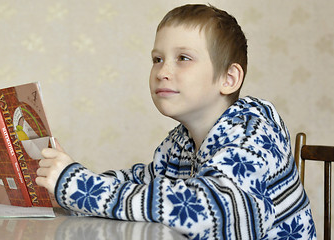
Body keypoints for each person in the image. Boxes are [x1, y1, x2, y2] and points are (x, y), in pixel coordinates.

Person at [36, 4, 317, 239]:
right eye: (157, 59)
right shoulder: (180, 141)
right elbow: (142, 181)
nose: (162, 71)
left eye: (183, 58)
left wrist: (83, 188)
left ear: (228, 79)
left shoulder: (251, 135)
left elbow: (210, 211)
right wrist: (67, 184)